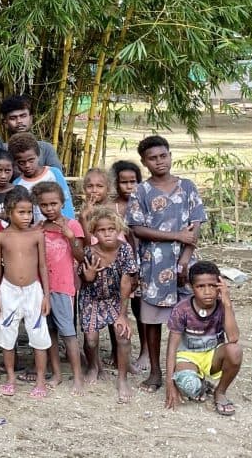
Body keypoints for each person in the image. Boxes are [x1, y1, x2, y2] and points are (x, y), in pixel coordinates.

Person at [127, 135, 206, 394]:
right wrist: (176, 235)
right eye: (153, 158)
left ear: (170, 155)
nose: (159, 161)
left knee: (189, 320)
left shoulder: (187, 187)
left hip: (185, 265)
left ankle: (188, 370)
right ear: (144, 162)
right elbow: (137, 228)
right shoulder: (141, 191)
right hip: (153, 266)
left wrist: (184, 263)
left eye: (163, 155)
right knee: (151, 321)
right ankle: (155, 372)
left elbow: (194, 229)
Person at [0, 186, 51, 399]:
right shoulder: (0, 237)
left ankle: (41, 380)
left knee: (39, 336)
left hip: (34, 290)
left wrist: (46, 295)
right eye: (21, 212)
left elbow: (43, 266)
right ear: (9, 211)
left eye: (29, 212)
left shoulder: (37, 235)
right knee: (7, 336)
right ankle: (10, 378)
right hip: (8, 290)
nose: (27, 217)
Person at [165, 261, 243, 416]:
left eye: (212, 285)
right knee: (189, 387)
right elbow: (172, 347)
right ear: (191, 287)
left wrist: (227, 303)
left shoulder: (222, 306)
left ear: (220, 285)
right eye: (201, 286)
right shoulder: (182, 309)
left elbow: (233, 338)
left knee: (235, 351)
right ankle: (201, 384)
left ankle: (219, 393)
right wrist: (170, 383)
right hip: (187, 357)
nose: (207, 291)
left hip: (212, 355)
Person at [31, 181, 86, 395]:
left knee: (69, 333)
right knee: (50, 331)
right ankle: (56, 374)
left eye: (54, 203)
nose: (50, 208)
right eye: (44, 205)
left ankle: (78, 377)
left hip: (63, 287)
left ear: (62, 202)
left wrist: (71, 239)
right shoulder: (39, 228)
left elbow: (81, 257)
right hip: (42, 287)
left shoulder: (72, 226)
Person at [79, 206, 138, 403]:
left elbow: (126, 282)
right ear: (94, 232)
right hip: (92, 298)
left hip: (114, 298)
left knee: (122, 335)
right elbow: (83, 280)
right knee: (91, 340)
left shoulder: (125, 250)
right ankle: (94, 366)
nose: (107, 234)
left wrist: (123, 315)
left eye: (111, 229)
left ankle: (122, 378)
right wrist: (88, 277)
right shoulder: (90, 252)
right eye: (102, 230)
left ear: (118, 229)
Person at [111, 159, 148, 371]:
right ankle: (120, 351)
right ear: (116, 183)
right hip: (118, 264)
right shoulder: (111, 206)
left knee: (140, 307)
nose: (129, 186)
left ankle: (144, 351)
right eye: (124, 182)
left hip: (143, 261)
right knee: (117, 306)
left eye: (133, 181)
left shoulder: (144, 202)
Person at [9, 132, 75, 223]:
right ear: (15, 162)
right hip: (36, 232)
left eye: (31, 160)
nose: (27, 165)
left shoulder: (54, 173)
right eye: (21, 162)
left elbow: (66, 201)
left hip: (62, 228)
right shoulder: (17, 184)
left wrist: (70, 224)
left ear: (38, 155)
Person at [0, 95, 63, 172]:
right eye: (13, 118)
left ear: (31, 119)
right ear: (5, 123)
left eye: (23, 116)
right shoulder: (1, 150)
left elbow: (56, 178)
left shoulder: (46, 149)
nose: (19, 121)